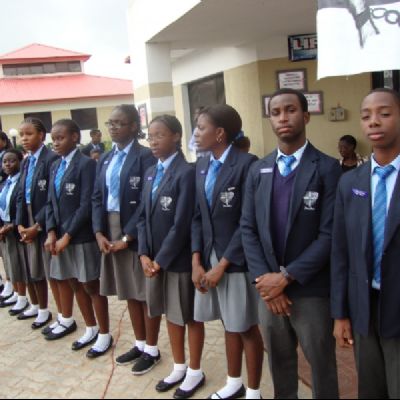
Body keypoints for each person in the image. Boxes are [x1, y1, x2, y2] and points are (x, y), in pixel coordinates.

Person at [241, 89, 341, 399]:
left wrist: (285, 278)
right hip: (269, 291)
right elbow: (248, 229)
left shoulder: (327, 168)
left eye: (291, 110)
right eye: (276, 112)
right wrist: (266, 282)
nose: (283, 117)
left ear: (306, 116)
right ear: (270, 119)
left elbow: (330, 235)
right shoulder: (258, 170)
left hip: (311, 289)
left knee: (321, 366)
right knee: (280, 365)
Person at [331, 88, 400, 399]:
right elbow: (340, 253)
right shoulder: (350, 182)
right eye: (366, 116)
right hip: (364, 307)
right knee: (370, 389)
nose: (374, 121)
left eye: (384, 114)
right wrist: (340, 314)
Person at [192, 104, 264, 400]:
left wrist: (222, 265)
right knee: (228, 322)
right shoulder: (202, 164)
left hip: (235, 260)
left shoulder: (247, 164)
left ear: (220, 133)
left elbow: (248, 221)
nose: (196, 134)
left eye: (201, 128)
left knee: (245, 326)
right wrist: (196, 261)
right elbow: (198, 216)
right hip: (209, 256)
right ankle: (234, 383)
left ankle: (254, 392)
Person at [138, 115, 205, 398]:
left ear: (176, 136)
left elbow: (182, 223)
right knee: (170, 313)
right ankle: (179, 366)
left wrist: (161, 259)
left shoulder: (186, 172)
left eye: (159, 135)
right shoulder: (150, 172)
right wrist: (143, 254)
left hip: (176, 260)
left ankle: (195, 371)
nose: (153, 141)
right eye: (150, 136)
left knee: (189, 315)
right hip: (153, 260)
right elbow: (142, 217)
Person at [92, 105, 157, 373]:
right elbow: (97, 196)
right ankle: (140, 343)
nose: (113, 127)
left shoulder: (146, 156)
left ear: (133, 126)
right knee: (129, 290)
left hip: (136, 230)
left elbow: (146, 200)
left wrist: (128, 237)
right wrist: (99, 232)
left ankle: (152, 348)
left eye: (119, 123)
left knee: (144, 292)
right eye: (110, 123)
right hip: (110, 228)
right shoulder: (106, 158)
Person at [44, 119, 113, 356]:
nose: (56, 143)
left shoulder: (86, 165)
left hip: (80, 236)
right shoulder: (55, 165)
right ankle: (90, 328)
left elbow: (86, 205)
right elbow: (50, 201)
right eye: (53, 139)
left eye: (60, 138)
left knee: (90, 284)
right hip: (60, 237)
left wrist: (68, 235)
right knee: (73, 282)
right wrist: (51, 232)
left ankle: (104, 333)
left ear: (75, 137)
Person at [16, 118, 59, 330]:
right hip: (27, 217)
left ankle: (64, 316)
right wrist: (19, 224)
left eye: (29, 134)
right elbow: (20, 194)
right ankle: (41, 309)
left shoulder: (51, 159)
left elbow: (52, 198)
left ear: (41, 135)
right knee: (34, 268)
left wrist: (38, 225)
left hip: (45, 218)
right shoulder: (26, 161)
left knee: (51, 270)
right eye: (21, 135)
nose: (24, 139)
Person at [0, 149, 35, 316]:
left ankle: (25, 299)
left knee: (21, 267)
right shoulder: (5, 183)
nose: (8, 164)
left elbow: (21, 208)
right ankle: (17, 294)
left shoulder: (21, 182)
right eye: (5, 161)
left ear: (21, 162)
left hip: (16, 229)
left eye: (12, 160)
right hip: (4, 229)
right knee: (10, 265)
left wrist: (13, 225)